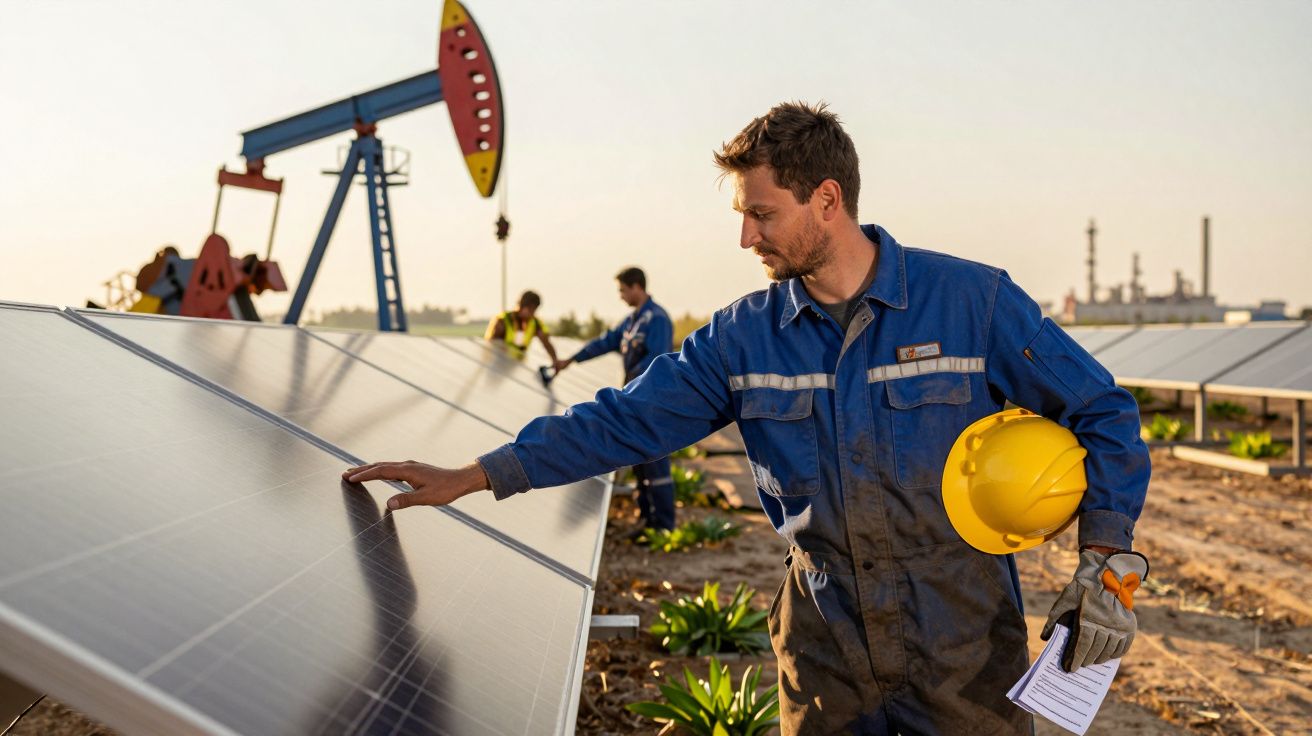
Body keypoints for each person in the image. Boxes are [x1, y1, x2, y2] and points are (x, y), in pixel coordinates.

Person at [345, 102, 1150, 735]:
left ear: (826, 200)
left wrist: (1106, 563)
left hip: (963, 647)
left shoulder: (971, 304)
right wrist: (479, 475)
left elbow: (1103, 410)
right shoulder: (742, 338)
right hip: (827, 653)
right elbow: (622, 422)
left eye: (761, 214)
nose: (744, 237)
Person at [553, 267, 676, 531]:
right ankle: (647, 521)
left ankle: (664, 527)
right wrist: (572, 359)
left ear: (636, 287)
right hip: (635, 401)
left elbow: (656, 363)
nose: (620, 296)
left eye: (622, 290)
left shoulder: (657, 319)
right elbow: (605, 342)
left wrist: (634, 391)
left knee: (656, 466)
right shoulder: (632, 321)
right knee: (640, 463)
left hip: (652, 404)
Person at [484, 289, 559, 364]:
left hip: (517, 364)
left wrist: (555, 360)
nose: (533, 313)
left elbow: (546, 343)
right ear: (523, 306)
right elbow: (491, 346)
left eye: (534, 310)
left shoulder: (535, 323)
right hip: (498, 363)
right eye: (531, 309)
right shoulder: (503, 321)